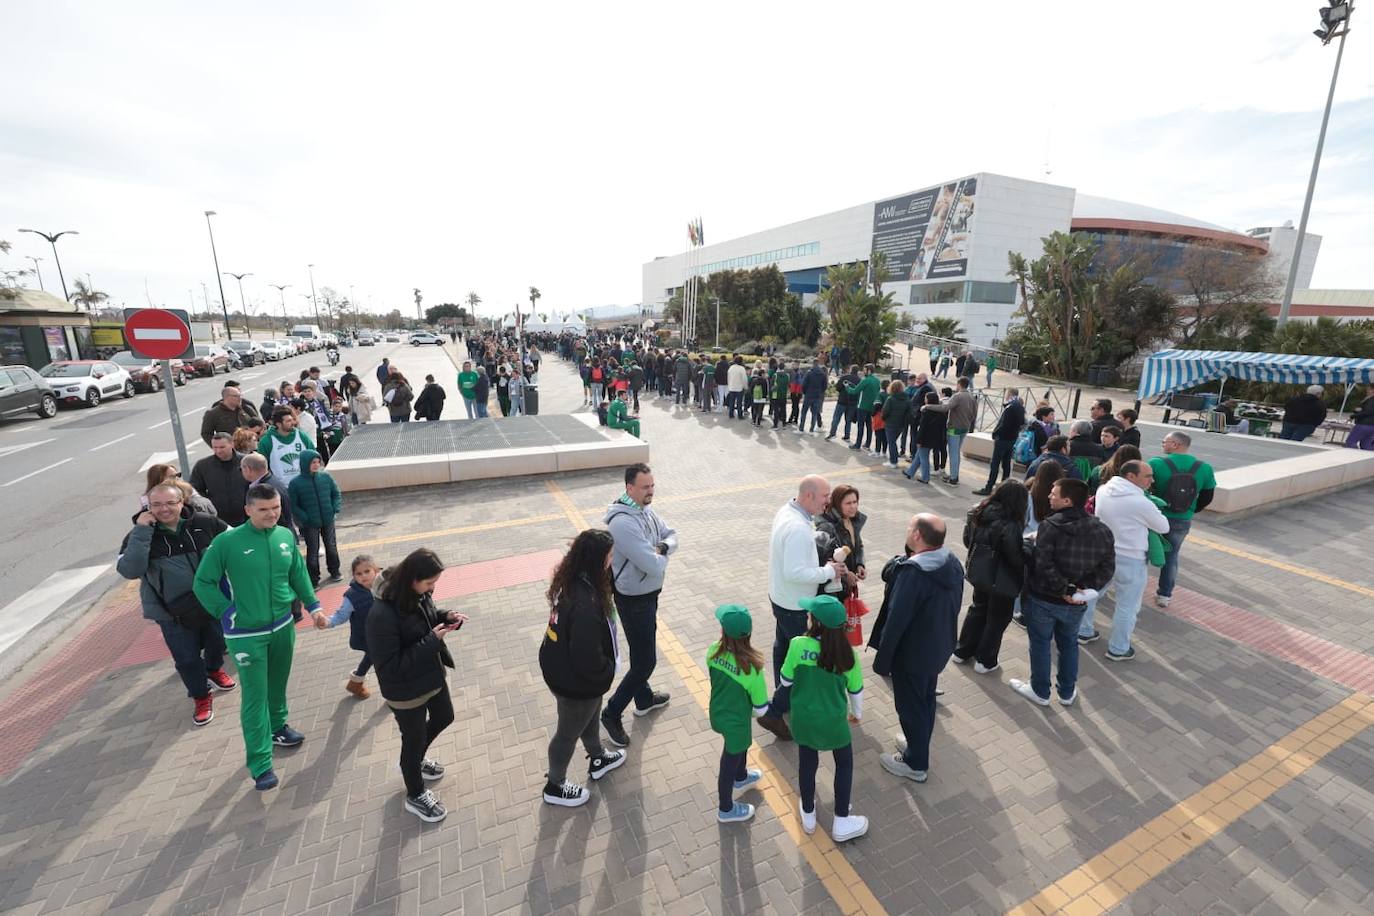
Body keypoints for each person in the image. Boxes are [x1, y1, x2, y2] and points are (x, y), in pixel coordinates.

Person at [192, 484, 320, 791]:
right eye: (264, 509)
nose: (272, 514)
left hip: (282, 627)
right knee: (254, 697)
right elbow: (203, 583)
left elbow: (298, 574)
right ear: (248, 510)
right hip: (246, 635)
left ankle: (278, 728)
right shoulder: (226, 542)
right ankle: (261, 764)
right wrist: (226, 611)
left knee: (277, 686)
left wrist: (314, 606)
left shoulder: (285, 536)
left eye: (275, 508)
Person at [116, 482, 235, 727]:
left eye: (171, 503)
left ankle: (213, 670)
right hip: (172, 612)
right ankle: (201, 696)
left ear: (182, 502)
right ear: (148, 507)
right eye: (156, 504)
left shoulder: (205, 523)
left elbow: (235, 544)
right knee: (187, 658)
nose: (164, 509)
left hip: (211, 601)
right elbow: (130, 570)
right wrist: (142, 531)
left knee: (218, 643)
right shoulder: (138, 535)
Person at [366, 548, 469, 822]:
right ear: (411, 578)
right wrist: (431, 642)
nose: (432, 588)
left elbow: (428, 616)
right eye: (429, 583)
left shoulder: (418, 593)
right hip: (405, 691)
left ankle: (413, 760)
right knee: (412, 739)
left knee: (444, 716)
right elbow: (390, 666)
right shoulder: (381, 615)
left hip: (430, 676)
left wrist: (445, 616)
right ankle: (415, 792)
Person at [870, 514, 962, 783]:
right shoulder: (951, 562)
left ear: (917, 536)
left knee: (910, 707)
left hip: (912, 654)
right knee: (925, 700)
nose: (907, 529)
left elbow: (896, 621)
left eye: (910, 526)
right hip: (937, 647)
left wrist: (882, 661)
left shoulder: (914, 574)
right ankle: (916, 742)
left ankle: (915, 763)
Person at [1008, 479, 1114, 708]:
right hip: (1076, 604)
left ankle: (1040, 691)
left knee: (1040, 645)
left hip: (1043, 599)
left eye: (1054, 494)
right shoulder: (1102, 529)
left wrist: (1064, 588)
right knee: (1068, 645)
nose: (1049, 496)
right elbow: (1107, 567)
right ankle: (1067, 692)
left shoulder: (1050, 526)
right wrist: (1081, 591)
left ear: (1067, 500)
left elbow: (1043, 564)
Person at [539, 530, 626, 807]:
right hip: (575, 681)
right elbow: (586, 656)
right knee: (567, 732)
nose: (612, 560)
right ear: (595, 559)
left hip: (562, 669)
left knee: (589, 716)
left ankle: (598, 757)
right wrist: (606, 673)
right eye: (609, 556)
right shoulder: (586, 603)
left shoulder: (576, 579)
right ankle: (555, 785)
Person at [757, 476, 845, 741]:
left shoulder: (788, 511)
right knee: (797, 657)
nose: (828, 501)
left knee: (782, 647)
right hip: (793, 603)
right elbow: (795, 572)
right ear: (808, 496)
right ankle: (775, 710)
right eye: (824, 496)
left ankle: (783, 694)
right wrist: (828, 571)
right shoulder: (796, 527)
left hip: (782, 597)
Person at [599, 463, 677, 746]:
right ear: (629, 488)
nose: (651, 492)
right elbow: (651, 565)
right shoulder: (623, 522)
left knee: (640, 652)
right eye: (645, 487)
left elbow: (672, 534)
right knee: (646, 661)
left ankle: (643, 699)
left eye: (652, 486)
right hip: (635, 599)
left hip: (646, 595)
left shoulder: (645, 510)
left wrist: (663, 548)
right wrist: (660, 555)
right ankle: (611, 712)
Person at [778, 594, 867, 841]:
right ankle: (841, 820)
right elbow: (856, 691)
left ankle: (808, 813)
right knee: (844, 764)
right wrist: (856, 714)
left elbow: (786, 680)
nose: (807, 616)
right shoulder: (848, 655)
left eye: (810, 615)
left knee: (807, 764)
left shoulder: (798, 644)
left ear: (815, 622)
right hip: (834, 721)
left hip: (803, 719)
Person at [1082, 460, 1170, 661]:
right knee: (1127, 606)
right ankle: (1118, 648)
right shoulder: (1140, 502)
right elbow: (1163, 526)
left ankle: (1083, 632)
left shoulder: (1104, 489)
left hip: (1102, 554)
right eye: (1147, 476)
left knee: (1092, 594)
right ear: (1131, 476)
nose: (1152, 480)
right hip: (1131, 559)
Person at [952, 482, 1027, 673]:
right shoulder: (1010, 524)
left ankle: (962, 651)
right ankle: (985, 661)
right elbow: (1015, 558)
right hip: (1003, 579)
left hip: (980, 572)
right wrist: (1028, 549)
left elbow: (967, 540)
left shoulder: (978, 511)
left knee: (977, 610)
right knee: (998, 619)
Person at [707, 605, 768, 824]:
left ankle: (741, 776)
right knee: (728, 762)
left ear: (723, 632)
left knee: (741, 746)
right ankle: (726, 808)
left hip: (717, 713)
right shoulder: (752, 668)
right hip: (737, 721)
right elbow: (761, 709)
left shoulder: (713, 651)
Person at [1148, 431, 1216, 608]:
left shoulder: (1156, 463)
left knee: (1142, 552)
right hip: (1182, 520)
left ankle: (1132, 586)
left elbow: (1144, 487)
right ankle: (1164, 596)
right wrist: (1191, 509)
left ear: (1175, 444)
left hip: (1156, 517)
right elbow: (1208, 496)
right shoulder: (1205, 467)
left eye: (1165, 441)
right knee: (1171, 557)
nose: (1162, 444)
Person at [313, 555, 379, 698]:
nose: (363, 576)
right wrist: (327, 622)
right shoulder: (352, 596)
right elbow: (341, 615)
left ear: (376, 570)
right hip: (366, 637)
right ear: (354, 576)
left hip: (386, 633)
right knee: (381, 661)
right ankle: (394, 694)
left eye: (367, 571)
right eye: (358, 574)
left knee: (373, 657)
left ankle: (356, 683)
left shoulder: (384, 586)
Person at [288, 450, 342, 586]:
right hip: (310, 523)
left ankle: (335, 571)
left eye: (318, 462)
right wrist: (304, 517)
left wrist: (335, 508)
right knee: (313, 550)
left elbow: (336, 493)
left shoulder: (326, 477)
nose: (316, 465)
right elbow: (293, 505)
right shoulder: (295, 483)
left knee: (331, 546)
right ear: (305, 463)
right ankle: (313, 579)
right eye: (313, 462)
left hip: (328, 519)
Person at [919, 376, 976, 485]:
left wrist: (928, 406)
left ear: (959, 384)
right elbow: (974, 414)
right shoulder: (971, 397)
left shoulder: (957, 396)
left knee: (953, 453)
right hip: (965, 428)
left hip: (954, 428)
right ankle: (955, 475)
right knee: (957, 453)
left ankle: (953, 479)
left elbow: (945, 408)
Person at [814, 484, 865, 601]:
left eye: (855, 502)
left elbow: (858, 546)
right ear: (837, 504)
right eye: (848, 503)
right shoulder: (826, 527)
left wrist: (859, 564)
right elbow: (822, 560)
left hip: (845, 587)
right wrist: (845, 575)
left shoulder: (852, 520)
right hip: (831, 590)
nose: (853, 507)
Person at [972, 387, 1026, 496]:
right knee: (1006, 463)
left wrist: (996, 434)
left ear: (1009, 394)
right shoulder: (1020, 406)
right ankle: (1005, 487)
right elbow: (1022, 422)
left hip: (1003, 439)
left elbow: (1004, 424)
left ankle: (989, 487)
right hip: (1012, 439)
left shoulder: (1011, 407)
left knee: (995, 464)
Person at [191, 432, 249, 526]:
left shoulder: (247, 461)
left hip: (246, 516)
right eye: (215, 448)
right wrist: (209, 505)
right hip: (218, 518)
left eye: (222, 447)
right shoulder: (203, 465)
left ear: (232, 444)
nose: (218, 451)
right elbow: (195, 490)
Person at [240, 452, 295, 537]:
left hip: (273, 537)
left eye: (241, 469)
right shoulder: (274, 482)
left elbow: (279, 519)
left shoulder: (265, 489)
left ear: (248, 469)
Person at [257, 406, 315, 487]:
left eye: (292, 420)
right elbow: (262, 467)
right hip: (282, 488)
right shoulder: (266, 441)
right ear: (278, 424)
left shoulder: (302, 436)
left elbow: (314, 457)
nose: (292, 423)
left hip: (304, 485)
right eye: (288, 421)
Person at [904, 391, 945, 483]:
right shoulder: (941, 413)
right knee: (919, 456)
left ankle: (925, 478)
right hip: (935, 439)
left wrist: (919, 440)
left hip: (925, 439)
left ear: (929, 400)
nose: (924, 400)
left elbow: (922, 428)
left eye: (926, 398)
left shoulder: (926, 412)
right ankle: (910, 472)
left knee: (923, 458)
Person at [850, 365, 881, 451]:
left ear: (869, 371)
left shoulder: (865, 380)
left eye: (864, 370)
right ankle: (867, 444)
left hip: (862, 406)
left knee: (861, 426)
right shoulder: (877, 381)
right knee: (869, 426)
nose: (863, 372)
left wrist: (847, 387)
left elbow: (854, 391)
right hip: (871, 407)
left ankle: (857, 445)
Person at [880, 380, 910, 467]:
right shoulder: (906, 399)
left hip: (890, 424)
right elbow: (909, 412)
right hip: (901, 424)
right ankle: (894, 460)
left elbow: (885, 412)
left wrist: (884, 418)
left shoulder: (890, 399)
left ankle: (893, 461)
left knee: (891, 442)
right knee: (893, 442)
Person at [826, 366, 858, 441]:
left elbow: (838, 387)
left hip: (842, 401)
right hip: (852, 403)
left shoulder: (844, 377)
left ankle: (832, 434)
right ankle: (847, 436)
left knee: (836, 418)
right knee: (848, 420)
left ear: (851, 370)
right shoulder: (859, 380)